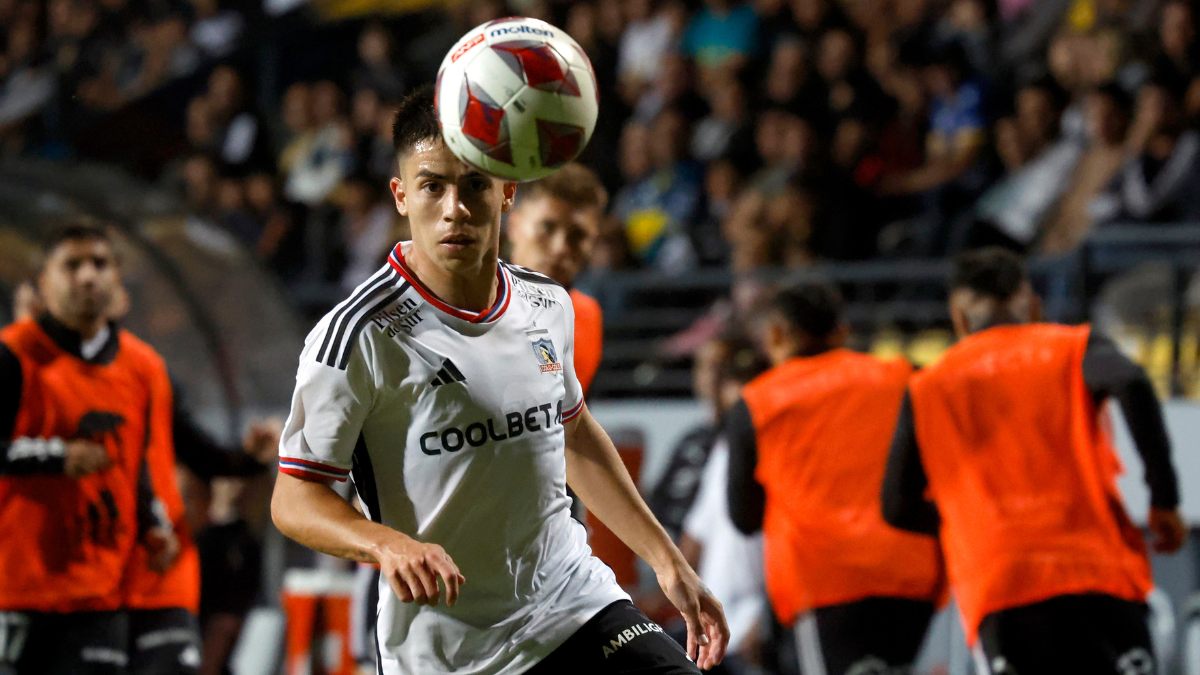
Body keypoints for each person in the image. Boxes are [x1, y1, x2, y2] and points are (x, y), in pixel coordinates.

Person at [270, 84, 728, 675]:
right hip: (453, 650)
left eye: (474, 184)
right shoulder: (359, 335)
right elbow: (294, 497)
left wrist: (667, 562)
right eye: (433, 185)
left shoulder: (547, 304)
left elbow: (573, 435)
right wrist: (387, 544)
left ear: (507, 191)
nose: (454, 207)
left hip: (573, 602)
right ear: (402, 195)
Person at [881, 247, 1187, 675]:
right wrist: (1164, 499)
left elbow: (895, 505)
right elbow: (1130, 380)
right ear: (1033, 304)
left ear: (959, 316)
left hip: (1000, 584)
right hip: (1097, 571)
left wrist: (965, 518)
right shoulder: (1071, 348)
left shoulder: (926, 387)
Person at [726, 281, 944, 675]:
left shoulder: (759, 402)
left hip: (824, 584)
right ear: (842, 333)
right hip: (911, 574)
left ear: (776, 333)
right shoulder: (903, 376)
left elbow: (744, 517)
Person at [0, 224, 179, 675]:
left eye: (100, 264)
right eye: (72, 265)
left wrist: (152, 523)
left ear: (118, 278)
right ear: (44, 281)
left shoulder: (140, 366)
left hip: (101, 590)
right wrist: (56, 457)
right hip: (19, 589)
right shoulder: (13, 355)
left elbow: (133, 464)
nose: (87, 277)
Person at [506, 162, 607, 395]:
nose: (561, 247)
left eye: (577, 235)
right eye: (547, 227)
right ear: (514, 225)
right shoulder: (467, 306)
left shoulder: (587, 316)